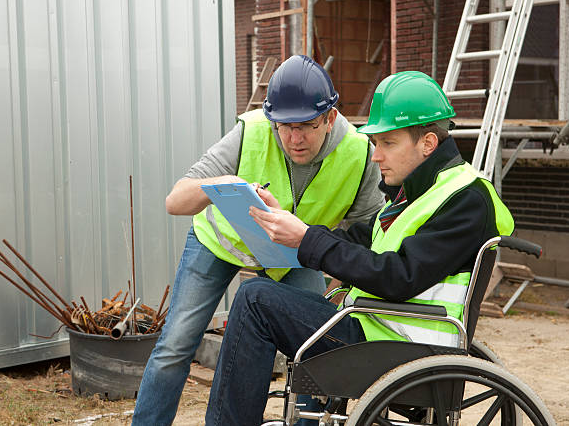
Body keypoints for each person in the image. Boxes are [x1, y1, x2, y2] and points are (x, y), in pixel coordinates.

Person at [204, 71, 515, 426]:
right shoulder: (415, 193)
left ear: (428, 143)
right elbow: (354, 243)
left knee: (255, 299)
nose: (375, 156)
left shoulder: (465, 199)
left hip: (400, 344)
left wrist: (306, 239)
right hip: (378, 330)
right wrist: (294, 228)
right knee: (256, 295)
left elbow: (399, 277)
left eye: (387, 143)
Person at [132, 55, 385, 425]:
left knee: (317, 347)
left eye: (307, 126)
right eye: (284, 127)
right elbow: (175, 201)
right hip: (218, 244)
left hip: (293, 256)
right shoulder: (250, 131)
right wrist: (217, 184)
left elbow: (369, 233)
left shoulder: (360, 154)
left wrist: (336, 280)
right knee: (175, 345)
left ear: (330, 118)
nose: (295, 139)